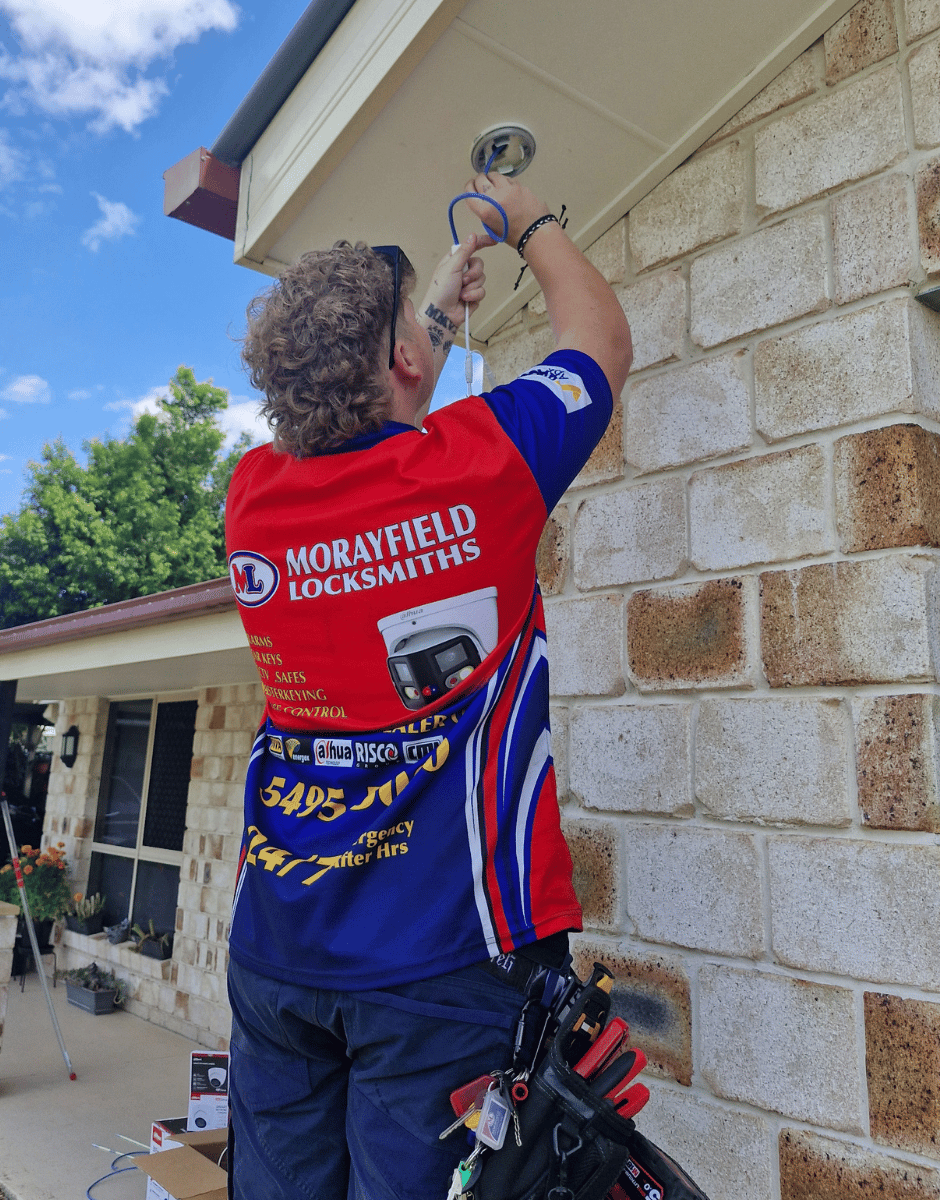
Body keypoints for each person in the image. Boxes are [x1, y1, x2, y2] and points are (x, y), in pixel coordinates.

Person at [224, 171, 633, 1200]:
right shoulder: (482, 462)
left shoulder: (253, 500)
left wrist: (437, 309)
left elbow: (367, 428)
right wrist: (535, 217)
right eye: (416, 329)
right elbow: (599, 347)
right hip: (445, 962)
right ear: (405, 361)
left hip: (278, 952)